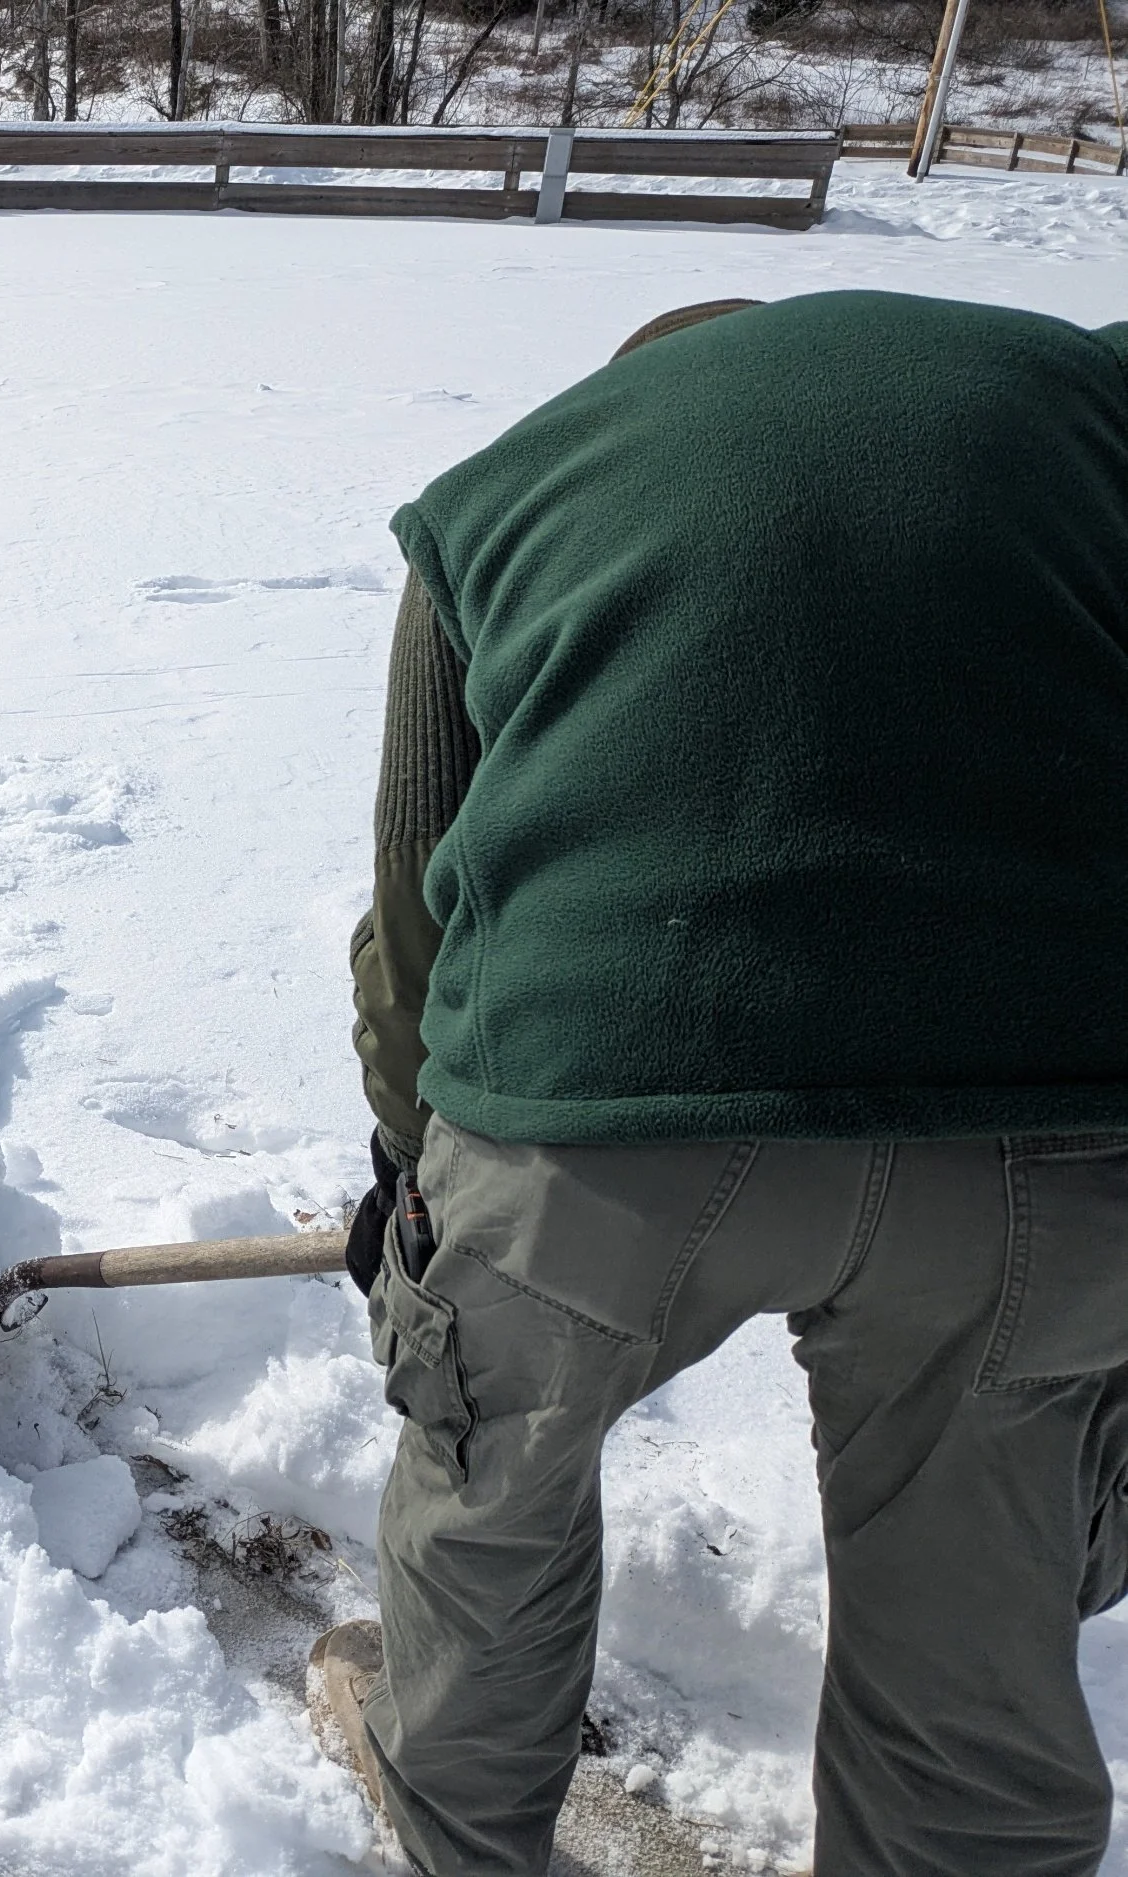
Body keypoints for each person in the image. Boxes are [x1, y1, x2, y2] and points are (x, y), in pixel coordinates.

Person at [314, 291, 1128, 1876]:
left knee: (495, 1495)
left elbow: (415, 897)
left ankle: (454, 1827)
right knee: (978, 1594)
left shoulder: (509, 495)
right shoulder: (1077, 414)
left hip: (589, 1121)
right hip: (1037, 1130)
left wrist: (408, 1171)